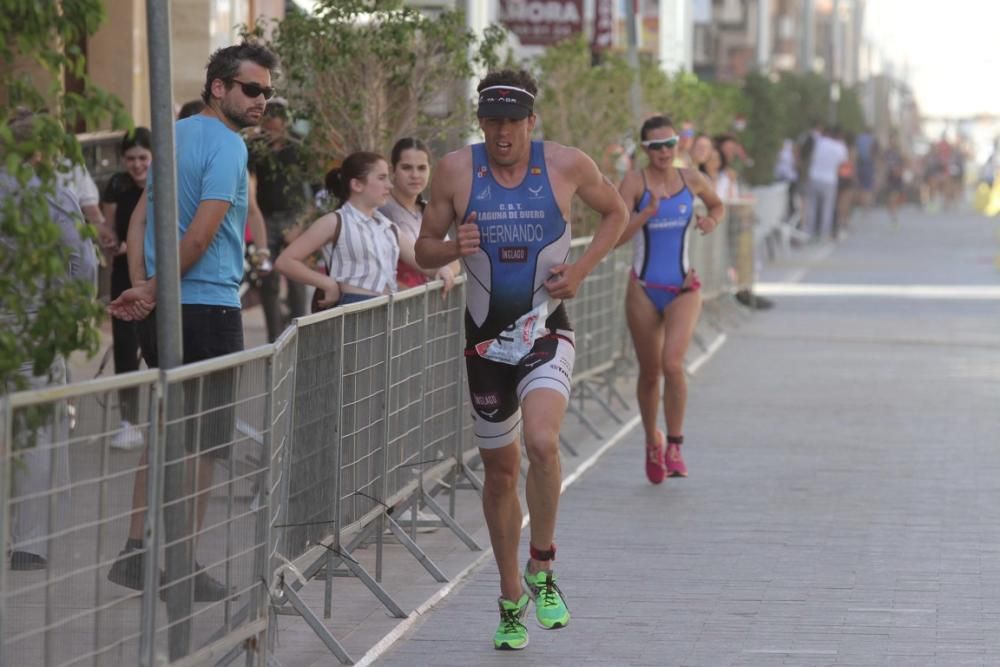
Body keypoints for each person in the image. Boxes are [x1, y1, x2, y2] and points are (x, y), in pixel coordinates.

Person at [413, 69, 628, 650]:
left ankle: (543, 565)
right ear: (481, 122)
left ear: (532, 121)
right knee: (501, 471)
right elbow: (422, 246)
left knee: (542, 442)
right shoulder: (457, 169)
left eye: (514, 122)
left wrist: (581, 271)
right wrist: (449, 249)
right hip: (484, 343)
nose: (503, 132)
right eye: (493, 122)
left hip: (545, 331)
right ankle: (511, 598)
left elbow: (616, 213)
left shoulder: (566, 164)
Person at [107, 41, 280, 602]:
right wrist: (153, 288)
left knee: (168, 431)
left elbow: (138, 221)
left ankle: (137, 552)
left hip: (169, 305)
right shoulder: (227, 148)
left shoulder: (172, 137)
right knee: (205, 444)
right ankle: (179, 564)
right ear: (219, 88)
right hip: (204, 305)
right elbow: (201, 237)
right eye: (252, 89)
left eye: (267, 93)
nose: (261, 101)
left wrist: (143, 286)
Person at [2, 109, 99, 570]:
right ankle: (31, 541)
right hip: (32, 325)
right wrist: (74, 309)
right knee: (36, 432)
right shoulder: (51, 194)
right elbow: (81, 261)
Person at [616, 115, 724, 485]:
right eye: (656, 146)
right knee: (650, 372)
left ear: (678, 145)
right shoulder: (633, 183)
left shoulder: (691, 179)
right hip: (643, 288)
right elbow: (614, 236)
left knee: (673, 364)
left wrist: (711, 221)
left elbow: (717, 205)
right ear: (645, 149)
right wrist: (645, 212)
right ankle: (652, 441)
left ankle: (674, 444)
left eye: (670, 144)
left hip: (682, 288)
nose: (664, 152)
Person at [274, 151, 455, 310]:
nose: (389, 186)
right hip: (353, 311)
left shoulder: (388, 226)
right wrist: (327, 283)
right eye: (381, 178)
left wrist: (441, 270)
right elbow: (285, 261)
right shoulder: (335, 221)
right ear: (357, 185)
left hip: (388, 310)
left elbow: (420, 259)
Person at [101, 127, 153, 450]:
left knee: (155, 344)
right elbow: (108, 228)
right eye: (131, 159)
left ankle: (165, 416)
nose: (136, 165)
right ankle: (128, 421)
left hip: (154, 275)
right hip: (123, 274)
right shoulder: (117, 185)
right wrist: (108, 241)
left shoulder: (163, 184)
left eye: (143, 158)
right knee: (124, 345)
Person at [248, 98, 309, 341]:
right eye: (267, 126)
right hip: (265, 216)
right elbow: (249, 180)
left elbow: (316, 188)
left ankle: (299, 329)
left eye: (276, 126)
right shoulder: (256, 146)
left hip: (294, 216)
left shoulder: (298, 145)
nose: (272, 131)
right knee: (268, 278)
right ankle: (274, 336)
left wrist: (302, 223)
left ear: (285, 123)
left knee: (296, 277)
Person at [379, 137, 461, 289]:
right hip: (395, 302)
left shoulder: (428, 209)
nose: (415, 175)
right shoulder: (380, 210)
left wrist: (444, 274)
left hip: (429, 304)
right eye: (407, 167)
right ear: (393, 170)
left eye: (422, 168)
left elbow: (453, 261)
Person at [803, 126, 848, 241]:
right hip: (829, 179)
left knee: (811, 206)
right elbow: (843, 162)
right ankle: (823, 234)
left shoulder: (819, 142)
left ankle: (809, 232)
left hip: (814, 177)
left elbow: (811, 157)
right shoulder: (839, 147)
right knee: (827, 208)